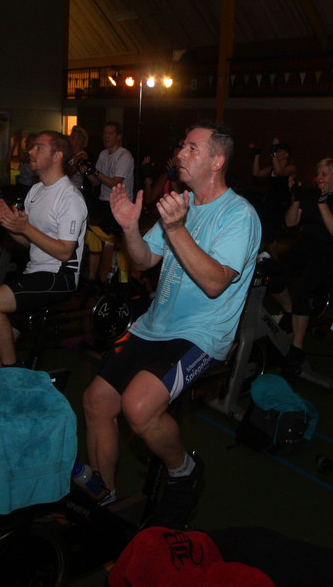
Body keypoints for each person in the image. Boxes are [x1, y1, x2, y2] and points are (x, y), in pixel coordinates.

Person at [83, 120, 260, 527]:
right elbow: (144, 260)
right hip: (155, 325)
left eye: (192, 148)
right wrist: (130, 227)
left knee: (138, 407)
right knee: (96, 400)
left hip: (201, 334)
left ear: (216, 162)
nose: (180, 153)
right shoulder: (181, 203)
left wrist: (177, 228)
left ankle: (184, 470)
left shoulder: (239, 215)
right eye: (182, 146)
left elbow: (215, 282)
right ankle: (104, 496)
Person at [0, 131, 87, 367]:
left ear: (57, 156)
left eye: (39, 148)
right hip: (35, 272)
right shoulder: (35, 191)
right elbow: (29, 242)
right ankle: (9, 383)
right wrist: (11, 226)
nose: (30, 151)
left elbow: (64, 252)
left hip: (60, 277)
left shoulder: (69, 198)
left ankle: (13, 373)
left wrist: (25, 228)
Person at [266, 157, 333, 368]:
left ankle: (297, 348)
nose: (319, 178)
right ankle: (289, 310)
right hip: (306, 248)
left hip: (329, 253)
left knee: (302, 291)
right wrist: (296, 200)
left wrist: (322, 203)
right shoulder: (310, 194)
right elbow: (290, 222)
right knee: (270, 272)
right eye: (318, 174)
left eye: (324, 174)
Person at [83, 121, 135, 290]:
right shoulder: (103, 154)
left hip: (121, 204)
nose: (106, 136)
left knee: (107, 237)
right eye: (105, 133)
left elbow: (115, 183)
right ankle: (93, 280)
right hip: (105, 202)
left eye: (110, 133)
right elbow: (95, 182)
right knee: (90, 230)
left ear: (118, 136)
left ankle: (117, 280)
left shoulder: (124, 156)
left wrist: (96, 172)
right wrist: (86, 171)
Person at [251, 139, 297, 257]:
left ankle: (276, 260)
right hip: (270, 204)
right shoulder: (272, 169)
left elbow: (280, 172)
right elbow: (256, 173)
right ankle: (269, 257)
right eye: (277, 151)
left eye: (279, 151)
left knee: (269, 233)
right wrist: (257, 155)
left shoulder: (291, 168)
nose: (277, 153)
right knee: (263, 230)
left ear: (286, 154)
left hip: (281, 205)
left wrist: (273, 152)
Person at [66, 125, 90, 191]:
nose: (69, 138)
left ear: (80, 141)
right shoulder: (69, 153)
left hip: (75, 189)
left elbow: (69, 173)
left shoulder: (82, 156)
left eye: (73, 137)